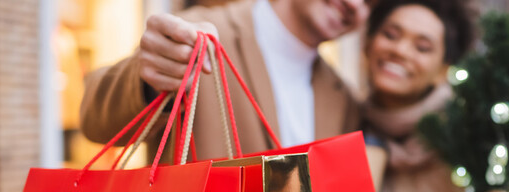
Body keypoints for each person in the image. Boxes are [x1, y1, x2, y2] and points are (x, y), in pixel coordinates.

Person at [80, 0, 375, 161]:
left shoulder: (343, 97)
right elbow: (93, 114)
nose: (353, 3)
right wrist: (148, 81)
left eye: (370, 2)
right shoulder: (200, 35)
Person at [361, 0, 509, 192]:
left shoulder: (479, 136)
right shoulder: (346, 123)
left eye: (422, 47)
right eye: (390, 35)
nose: (400, 50)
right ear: (368, 42)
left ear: (444, 69)